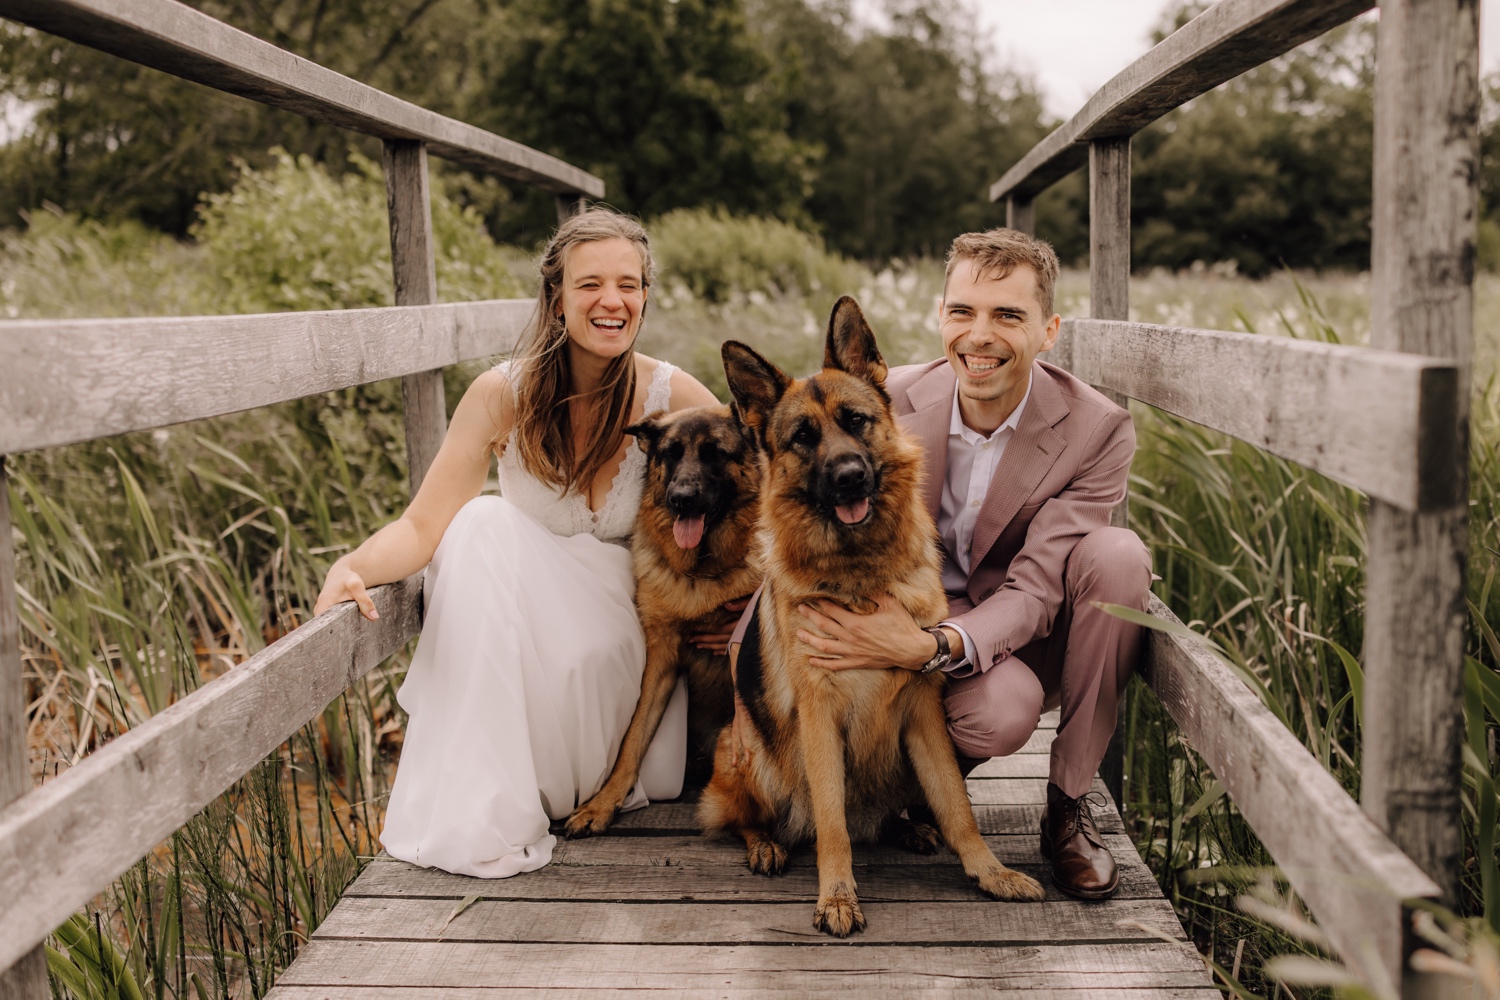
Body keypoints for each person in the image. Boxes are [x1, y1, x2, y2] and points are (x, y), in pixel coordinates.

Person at [735, 227, 1151, 900]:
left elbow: (1039, 587)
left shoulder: (1098, 429)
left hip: (1002, 632)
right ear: (941, 317)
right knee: (958, 708)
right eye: (963, 312)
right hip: (891, 615)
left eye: (1007, 315)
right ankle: (905, 797)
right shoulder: (881, 394)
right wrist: (747, 655)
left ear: (1048, 330)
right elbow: (779, 501)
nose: (979, 336)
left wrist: (927, 644)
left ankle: (1069, 806)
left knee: (1118, 556)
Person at [312, 207, 723, 878]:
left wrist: (733, 607)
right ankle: (487, 807)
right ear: (556, 297)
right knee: (479, 523)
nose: (612, 301)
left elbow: (758, 489)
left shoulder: (670, 394)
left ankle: (558, 776)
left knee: (486, 529)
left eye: (629, 284)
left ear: (646, 296)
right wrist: (352, 565)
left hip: (622, 638)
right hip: (531, 632)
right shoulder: (502, 394)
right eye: (590, 284)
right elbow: (423, 526)